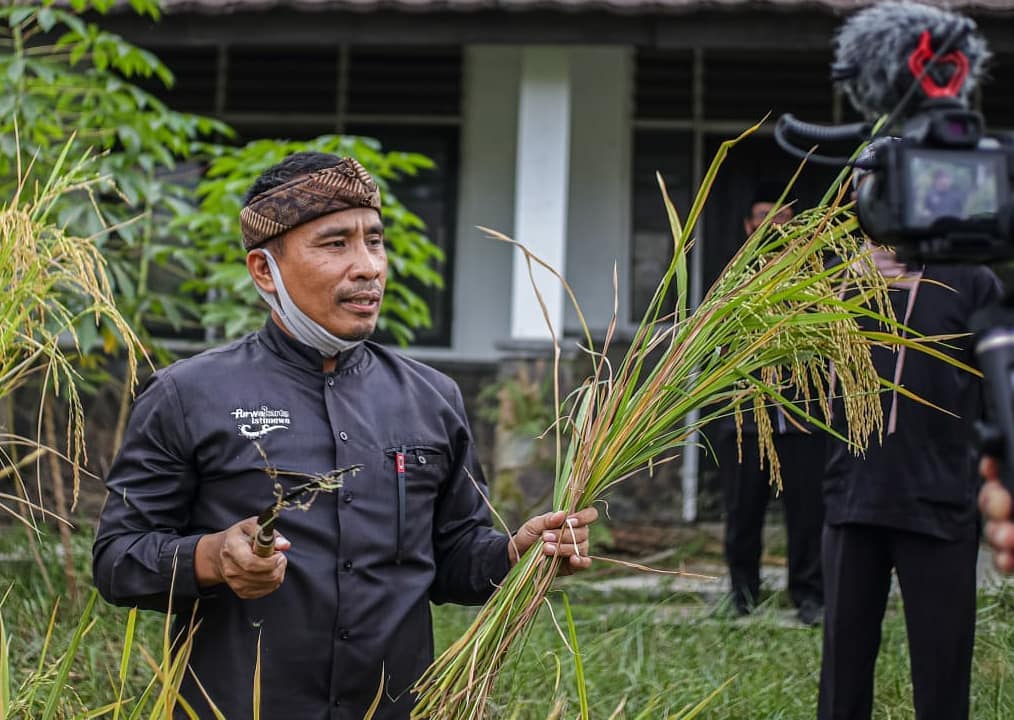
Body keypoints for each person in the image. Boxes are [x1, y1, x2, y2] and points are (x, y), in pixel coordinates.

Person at [92, 152, 598, 720]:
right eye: (336, 244)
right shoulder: (188, 395)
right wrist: (212, 557)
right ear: (265, 269)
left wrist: (514, 556)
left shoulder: (431, 398)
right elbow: (118, 561)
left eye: (375, 241)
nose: (368, 267)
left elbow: (452, 554)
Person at [817, 155, 1002, 720]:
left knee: (943, 669)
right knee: (842, 670)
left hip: (940, 501)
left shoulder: (972, 277)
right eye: (868, 189)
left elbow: (999, 393)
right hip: (853, 498)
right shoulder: (832, 277)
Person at [717, 180, 826, 626]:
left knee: (807, 515)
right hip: (745, 423)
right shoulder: (731, 282)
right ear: (748, 226)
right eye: (763, 216)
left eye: (781, 216)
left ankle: (810, 597)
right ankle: (742, 596)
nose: (772, 224)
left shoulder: (818, 279)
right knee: (742, 515)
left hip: (803, 422)